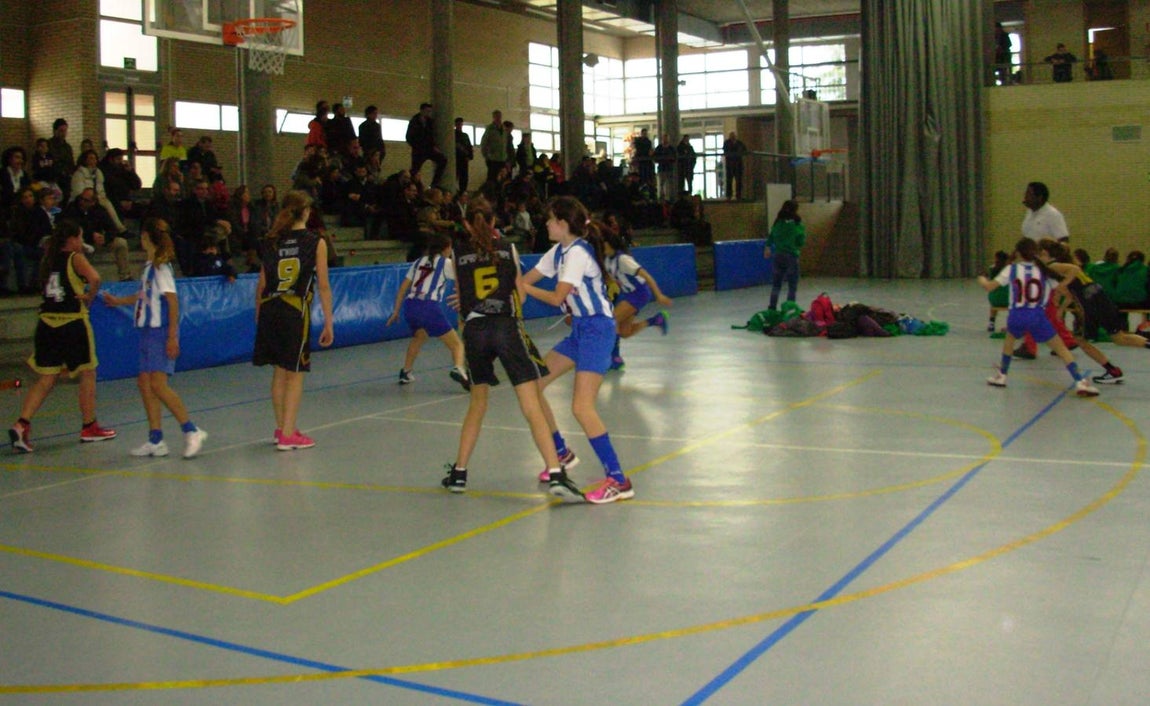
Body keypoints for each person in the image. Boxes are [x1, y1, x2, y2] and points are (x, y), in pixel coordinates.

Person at [441, 195, 582, 501]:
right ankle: (556, 473)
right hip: (505, 326)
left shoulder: (457, 252)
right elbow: (522, 294)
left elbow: (462, 298)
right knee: (531, 404)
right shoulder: (508, 248)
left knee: (478, 403)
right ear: (494, 221)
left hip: (475, 330)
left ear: (466, 223)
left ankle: (459, 473)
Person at [519, 196, 631, 504]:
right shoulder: (558, 251)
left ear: (563, 223)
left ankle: (619, 480)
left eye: (550, 219)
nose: (545, 224)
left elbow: (557, 298)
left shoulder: (578, 253)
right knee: (534, 385)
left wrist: (524, 288)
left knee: (582, 407)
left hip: (598, 330)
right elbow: (524, 280)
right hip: (580, 330)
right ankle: (561, 453)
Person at [101, 218, 207, 459]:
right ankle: (156, 439)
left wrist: (172, 336)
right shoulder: (149, 268)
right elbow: (143, 296)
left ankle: (191, 430)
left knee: (158, 384)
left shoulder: (161, 268)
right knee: (145, 383)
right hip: (147, 331)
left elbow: (172, 301)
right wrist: (118, 301)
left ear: (145, 238)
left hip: (160, 332)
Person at [10, 219, 117, 453]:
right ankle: (89, 426)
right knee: (88, 372)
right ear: (71, 239)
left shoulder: (47, 259)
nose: (81, 241)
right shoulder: (75, 258)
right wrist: (89, 296)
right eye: (80, 237)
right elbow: (95, 278)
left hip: (46, 324)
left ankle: (22, 424)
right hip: (72, 322)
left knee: (46, 378)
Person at [253, 190, 334, 451]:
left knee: (279, 370)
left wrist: (259, 315)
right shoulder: (315, 241)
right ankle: (288, 435)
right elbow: (323, 285)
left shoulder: (272, 240)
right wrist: (329, 322)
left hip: (270, 307)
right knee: (295, 373)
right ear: (306, 212)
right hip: (293, 310)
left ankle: (282, 428)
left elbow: (261, 284)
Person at [976, 238, 1098, 397]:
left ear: (1018, 253)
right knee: (1061, 349)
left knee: (1009, 342)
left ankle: (1002, 376)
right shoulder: (1044, 271)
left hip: (1016, 315)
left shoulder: (1011, 269)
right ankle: (1080, 381)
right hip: (1037, 315)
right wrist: (1059, 304)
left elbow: (989, 287)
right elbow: (1065, 292)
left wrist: (982, 278)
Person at [1036, 238, 1149, 386]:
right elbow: (1071, 293)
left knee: (1080, 340)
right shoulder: (1059, 267)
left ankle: (1112, 370)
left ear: (1044, 253)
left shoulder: (1053, 266)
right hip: (1099, 297)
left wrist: (1060, 287)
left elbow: (1074, 270)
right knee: (1119, 337)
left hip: (1089, 302)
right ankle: (1124, 362)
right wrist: (1061, 308)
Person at [385, 231, 470, 390]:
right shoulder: (446, 263)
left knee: (420, 336)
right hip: (428, 306)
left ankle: (406, 372)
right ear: (447, 248)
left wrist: (396, 311)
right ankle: (459, 368)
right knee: (457, 345)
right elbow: (464, 280)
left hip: (410, 305)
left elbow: (403, 288)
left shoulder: (418, 262)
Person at [1015, 181, 1075, 358]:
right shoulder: (1029, 214)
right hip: (1030, 267)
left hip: (1045, 269)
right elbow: (1026, 239)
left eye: (1028, 194)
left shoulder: (1052, 215)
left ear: (1039, 197)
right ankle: (1067, 340)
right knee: (1045, 308)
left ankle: (1029, 346)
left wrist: (1052, 264)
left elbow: (1064, 242)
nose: (1025, 197)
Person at [602, 226, 671, 371]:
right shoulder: (607, 260)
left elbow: (646, 276)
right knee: (624, 332)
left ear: (608, 243)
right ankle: (656, 320)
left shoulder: (623, 259)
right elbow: (611, 278)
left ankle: (615, 359)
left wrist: (658, 294)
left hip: (639, 293)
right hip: (627, 294)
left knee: (612, 321)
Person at [765, 199, 807, 310]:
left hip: (778, 255)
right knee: (792, 286)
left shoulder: (778, 222)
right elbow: (801, 240)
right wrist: (796, 245)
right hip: (791, 256)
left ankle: (772, 308)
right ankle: (789, 309)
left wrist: (768, 246)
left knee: (776, 285)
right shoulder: (797, 224)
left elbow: (771, 235)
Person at [405, 102, 447, 188]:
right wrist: (416, 146)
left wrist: (433, 146)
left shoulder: (429, 121)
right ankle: (413, 186)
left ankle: (434, 183)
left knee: (443, 160)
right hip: (419, 150)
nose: (428, 113)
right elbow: (409, 137)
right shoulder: (414, 121)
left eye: (429, 111)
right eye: (427, 111)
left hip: (428, 148)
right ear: (422, 110)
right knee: (415, 170)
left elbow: (431, 135)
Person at [723, 131, 748, 200]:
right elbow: (725, 151)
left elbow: (745, 150)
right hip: (730, 165)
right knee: (729, 180)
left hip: (738, 165)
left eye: (733, 136)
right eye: (731, 136)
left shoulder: (739, 143)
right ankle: (729, 195)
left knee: (739, 180)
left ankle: (738, 195)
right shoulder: (727, 143)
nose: (732, 137)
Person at [454, 117, 474, 194]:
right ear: (455, 125)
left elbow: (469, 146)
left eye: (461, 124)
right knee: (456, 175)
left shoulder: (465, 135)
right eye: (458, 124)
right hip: (456, 158)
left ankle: (462, 191)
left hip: (464, 158)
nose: (460, 126)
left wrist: (469, 156)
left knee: (464, 176)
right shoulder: (453, 135)